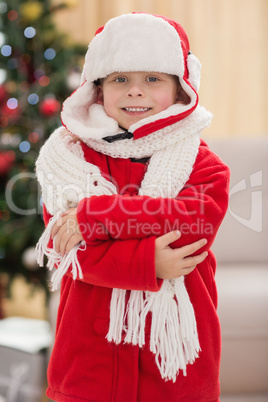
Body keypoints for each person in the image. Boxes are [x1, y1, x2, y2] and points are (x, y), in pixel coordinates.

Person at [35, 13, 230, 402]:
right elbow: (68, 249)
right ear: (97, 90)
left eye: (153, 79)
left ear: (180, 90)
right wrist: (147, 263)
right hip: (89, 362)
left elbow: (190, 226)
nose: (134, 92)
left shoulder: (203, 164)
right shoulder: (69, 161)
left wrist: (94, 217)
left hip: (172, 369)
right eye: (120, 79)